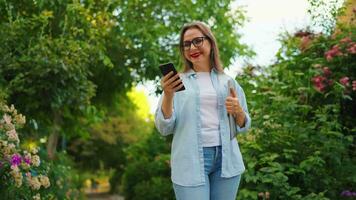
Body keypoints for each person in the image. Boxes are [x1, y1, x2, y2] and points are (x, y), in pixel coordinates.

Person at [154, 21, 251, 200]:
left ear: (210, 42)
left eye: (197, 41)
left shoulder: (228, 82)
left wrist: (238, 111)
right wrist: (168, 95)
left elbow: (244, 125)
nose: (192, 47)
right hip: (190, 162)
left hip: (226, 160)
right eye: (186, 44)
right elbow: (164, 128)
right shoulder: (177, 83)